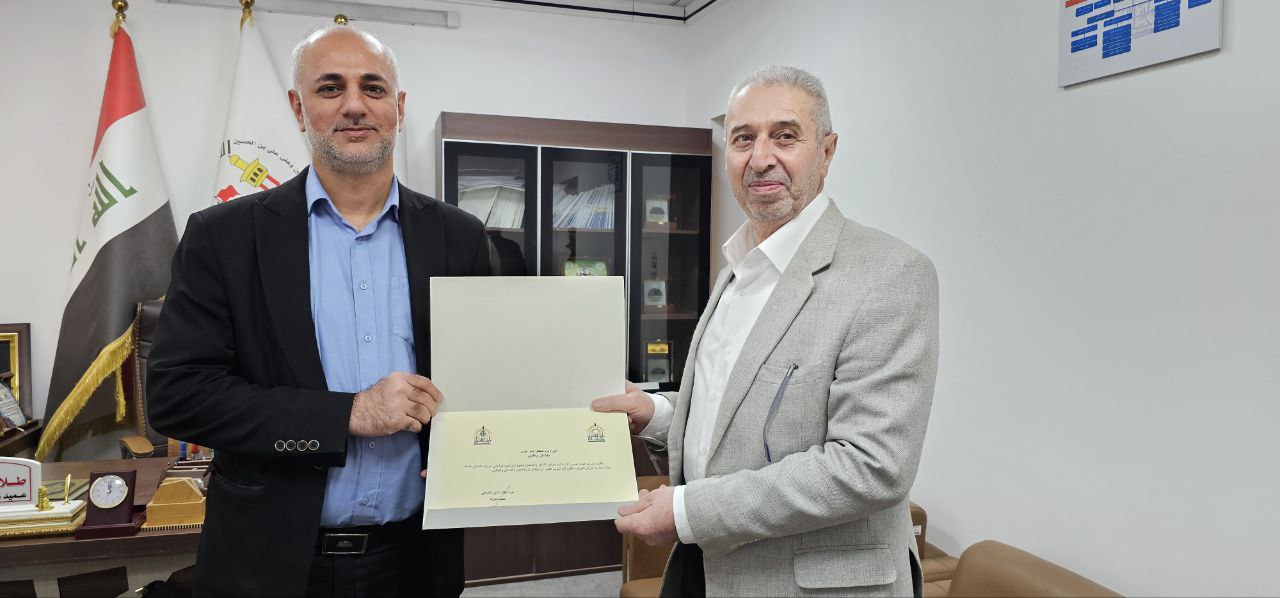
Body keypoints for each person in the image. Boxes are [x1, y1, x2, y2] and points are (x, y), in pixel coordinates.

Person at [147, 24, 489, 598]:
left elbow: (482, 376)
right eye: (331, 88)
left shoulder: (460, 236)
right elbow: (178, 395)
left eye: (373, 88)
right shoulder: (224, 237)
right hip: (269, 564)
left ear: (399, 107)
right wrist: (346, 414)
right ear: (297, 107)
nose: (355, 105)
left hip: (416, 561)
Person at [593, 65, 939, 597]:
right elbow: (732, 409)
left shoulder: (890, 274)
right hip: (702, 569)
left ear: (827, 152)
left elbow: (870, 466)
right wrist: (656, 414)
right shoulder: (737, 268)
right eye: (743, 139)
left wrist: (686, 511)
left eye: (785, 135)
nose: (760, 158)